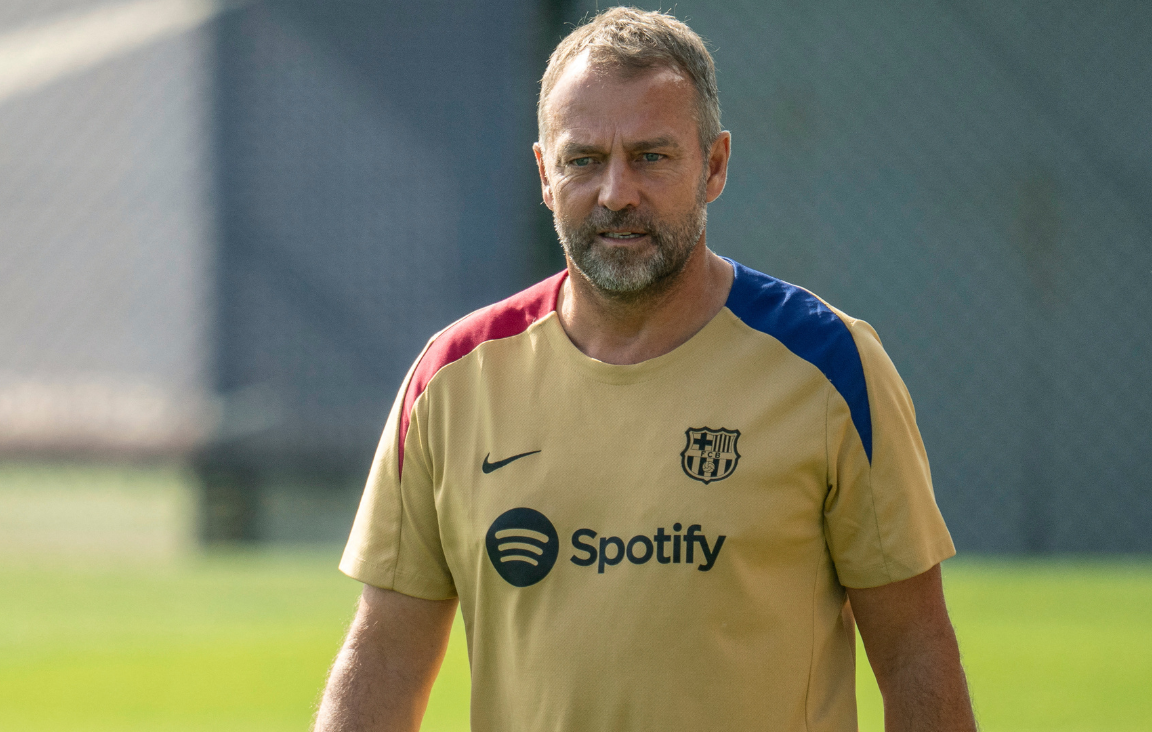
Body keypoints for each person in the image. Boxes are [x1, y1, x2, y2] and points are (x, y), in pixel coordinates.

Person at [314, 7, 976, 732]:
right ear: (544, 173)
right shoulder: (451, 378)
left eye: (652, 157)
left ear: (715, 165)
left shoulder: (829, 365)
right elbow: (385, 656)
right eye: (584, 160)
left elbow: (914, 647)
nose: (616, 193)